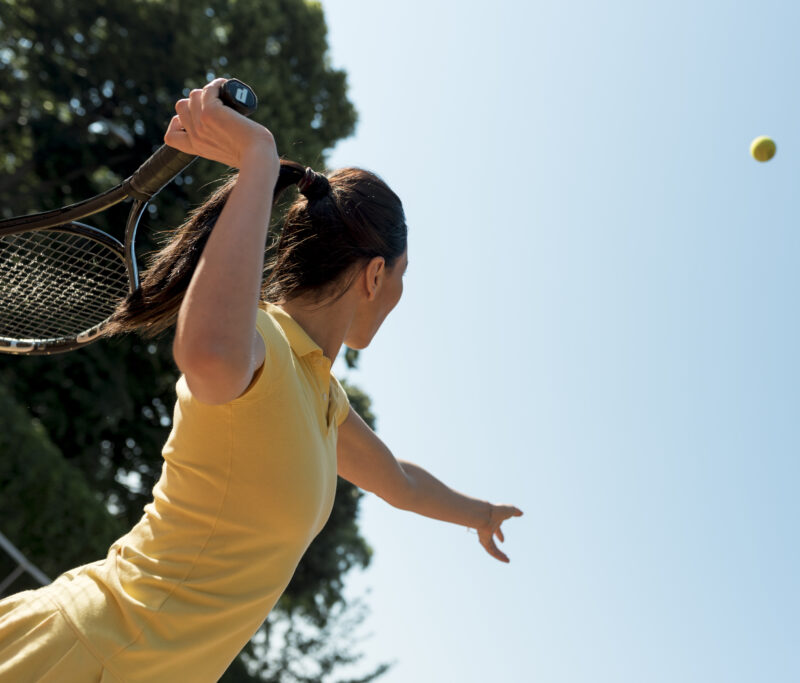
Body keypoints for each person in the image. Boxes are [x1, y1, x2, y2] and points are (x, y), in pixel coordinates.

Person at [0, 78, 523, 682]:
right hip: (84, 653)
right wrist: (256, 161)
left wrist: (479, 514)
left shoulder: (320, 397)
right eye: (404, 277)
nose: (402, 295)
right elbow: (208, 352)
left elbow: (399, 481)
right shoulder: (261, 344)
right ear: (375, 276)